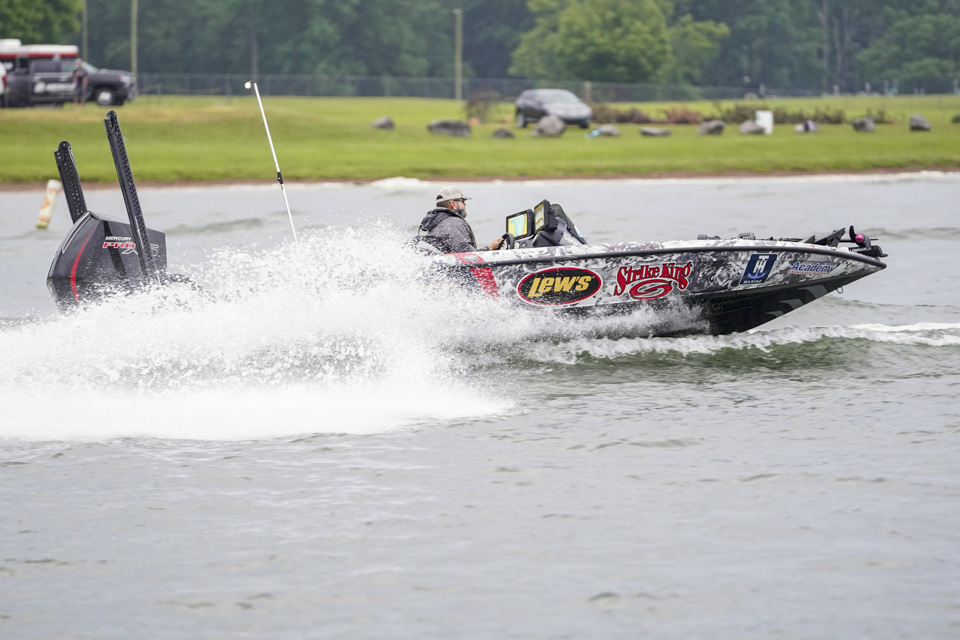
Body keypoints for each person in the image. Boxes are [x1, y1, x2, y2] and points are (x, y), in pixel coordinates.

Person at [417, 185, 504, 253]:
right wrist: (490, 248)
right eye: (463, 201)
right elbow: (467, 255)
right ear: (453, 204)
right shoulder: (453, 223)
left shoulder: (438, 222)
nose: (465, 205)